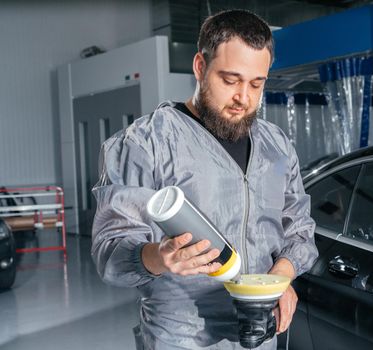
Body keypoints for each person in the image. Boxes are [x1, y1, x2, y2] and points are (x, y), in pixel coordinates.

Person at [91, 9, 318, 350]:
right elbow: (110, 252)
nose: (244, 97)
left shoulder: (276, 144)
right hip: (183, 336)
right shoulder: (144, 143)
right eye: (230, 80)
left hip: (261, 333)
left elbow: (299, 230)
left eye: (257, 84)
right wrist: (158, 256)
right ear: (200, 67)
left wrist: (279, 279)